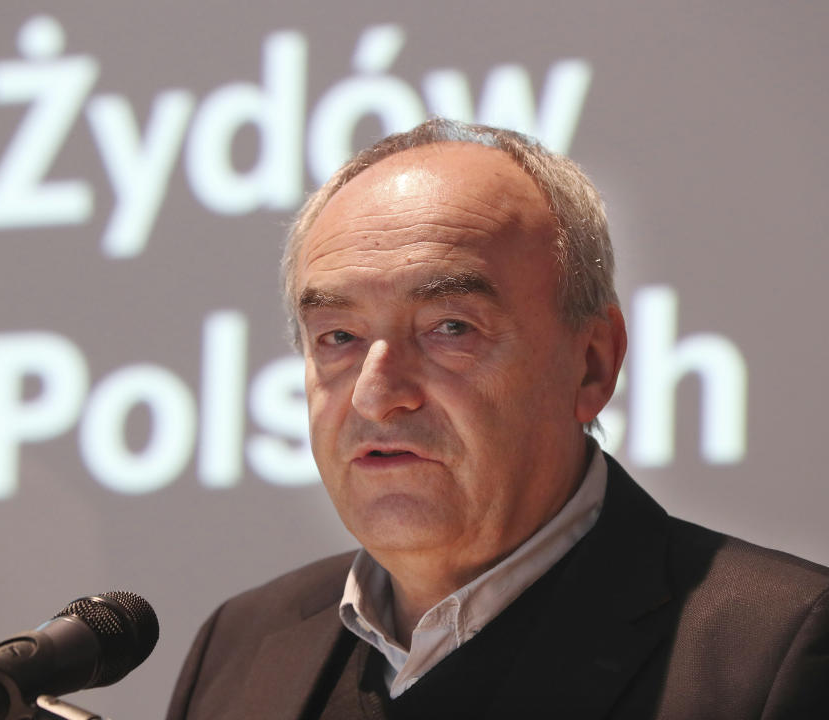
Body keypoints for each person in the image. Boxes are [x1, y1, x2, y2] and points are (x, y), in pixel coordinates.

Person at [166, 119, 829, 719]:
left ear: (593, 364)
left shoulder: (774, 648)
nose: (376, 395)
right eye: (337, 336)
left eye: (450, 327)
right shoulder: (239, 648)